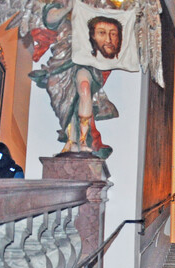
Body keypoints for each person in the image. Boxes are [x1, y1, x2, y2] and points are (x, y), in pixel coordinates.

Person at [28, 0, 119, 158]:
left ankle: (83, 141)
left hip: (86, 56)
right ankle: (72, 140)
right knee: (66, 99)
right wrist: (68, 8)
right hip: (62, 57)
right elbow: (49, 19)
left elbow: (114, 20)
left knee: (84, 87)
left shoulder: (100, 2)